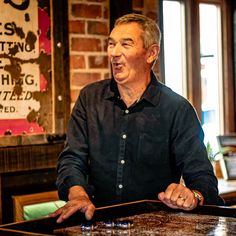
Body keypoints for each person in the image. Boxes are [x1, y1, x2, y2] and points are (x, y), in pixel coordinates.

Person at [50, 13, 224, 223]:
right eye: (111, 44)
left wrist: (193, 196)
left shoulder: (177, 109)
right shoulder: (89, 98)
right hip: (97, 224)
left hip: (156, 228)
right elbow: (72, 159)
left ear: (151, 53)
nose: (114, 53)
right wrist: (78, 194)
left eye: (126, 44)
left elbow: (203, 179)